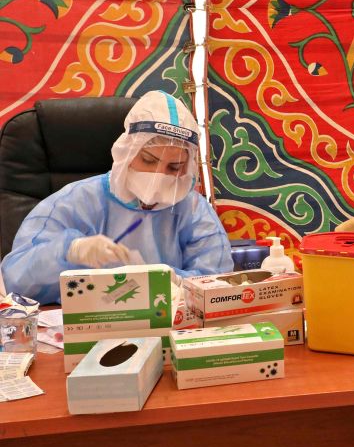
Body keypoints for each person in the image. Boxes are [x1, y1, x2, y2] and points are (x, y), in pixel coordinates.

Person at [1, 91, 233, 303]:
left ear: (189, 166)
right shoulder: (74, 201)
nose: (157, 176)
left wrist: (175, 281)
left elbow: (219, 283)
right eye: (149, 160)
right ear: (127, 151)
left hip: (167, 325)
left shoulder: (192, 208)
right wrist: (69, 251)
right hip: (82, 329)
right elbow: (14, 279)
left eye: (175, 166)